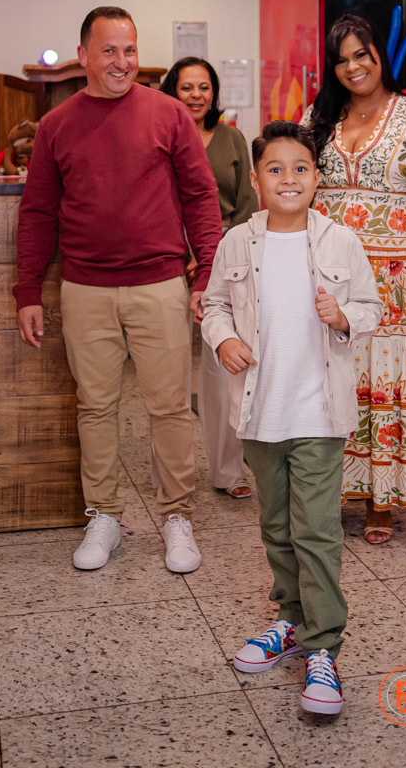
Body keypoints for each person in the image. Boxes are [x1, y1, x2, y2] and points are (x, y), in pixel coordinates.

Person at [13, 6, 223, 574]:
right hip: (85, 289)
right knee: (95, 407)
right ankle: (103, 514)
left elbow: (200, 196)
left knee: (170, 407)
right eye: (109, 51)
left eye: (129, 50)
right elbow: (37, 213)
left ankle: (177, 515)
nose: (121, 62)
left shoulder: (169, 114)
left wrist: (206, 272)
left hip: (160, 284)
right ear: (83, 55)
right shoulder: (56, 125)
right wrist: (27, 290)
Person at [201, 121, 381, 715]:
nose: (288, 178)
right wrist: (224, 338)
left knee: (317, 532)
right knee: (276, 526)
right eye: (274, 168)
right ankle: (290, 619)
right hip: (260, 414)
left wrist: (344, 316)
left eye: (300, 168)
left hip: (318, 413)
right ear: (255, 179)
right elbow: (214, 306)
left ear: (317, 178)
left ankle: (322, 645)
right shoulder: (237, 242)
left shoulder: (340, 241)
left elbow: (371, 306)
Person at [302, 13, 406, 543]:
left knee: (385, 385)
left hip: (394, 279)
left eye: (362, 55)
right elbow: (296, 185)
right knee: (331, 383)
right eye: (342, 59)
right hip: (328, 276)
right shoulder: (319, 116)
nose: (353, 67)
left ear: (379, 55)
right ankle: (331, 492)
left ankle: (381, 501)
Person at [160, 57, 258, 498]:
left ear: (214, 93)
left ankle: (228, 471)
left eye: (204, 87)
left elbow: (247, 204)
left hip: (225, 263)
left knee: (222, 371)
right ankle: (173, 476)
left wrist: (212, 257)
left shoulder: (232, 138)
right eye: (187, 87)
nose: (196, 95)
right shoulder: (160, 135)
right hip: (168, 260)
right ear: (172, 92)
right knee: (169, 373)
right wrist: (186, 254)